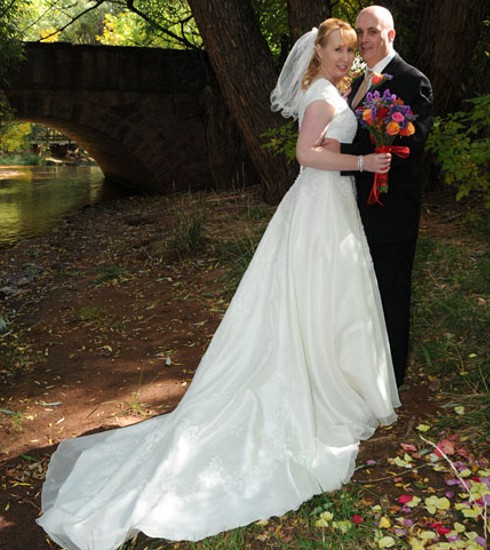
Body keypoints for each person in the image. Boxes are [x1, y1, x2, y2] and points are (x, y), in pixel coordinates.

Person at [36, 18, 400, 550]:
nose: (346, 57)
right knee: (319, 296)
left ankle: (334, 373)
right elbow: (305, 154)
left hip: (327, 208)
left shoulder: (332, 89)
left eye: (350, 49)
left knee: (328, 298)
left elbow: (329, 132)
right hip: (321, 207)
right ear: (317, 53)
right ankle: (323, 380)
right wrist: (365, 160)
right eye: (338, 49)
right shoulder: (322, 93)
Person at [338, 5, 433, 387]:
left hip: (390, 208)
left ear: (390, 35)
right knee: (359, 291)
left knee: (391, 292)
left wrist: (348, 158)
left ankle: (391, 378)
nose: (363, 40)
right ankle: (362, 369)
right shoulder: (359, 81)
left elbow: (411, 145)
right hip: (350, 205)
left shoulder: (413, 80)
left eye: (372, 31)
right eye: (359, 32)